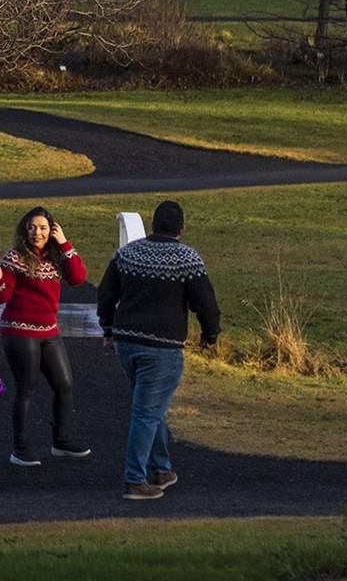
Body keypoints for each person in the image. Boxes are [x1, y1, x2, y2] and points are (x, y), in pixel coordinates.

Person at [96, 200, 221, 500]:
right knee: (146, 413)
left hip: (126, 342)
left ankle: (162, 469)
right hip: (162, 347)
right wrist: (210, 335)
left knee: (152, 408)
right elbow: (205, 303)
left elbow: (106, 292)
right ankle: (135, 479)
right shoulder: (187, 258)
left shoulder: (127, 253)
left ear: (153, 224)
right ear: (182, 228)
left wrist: (108, 327)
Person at [0, 206, 91, 466]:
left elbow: (78, 278)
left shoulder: (57, 256)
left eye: (44, 228)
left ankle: (62, 441)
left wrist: (64, 242)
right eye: (33, 227)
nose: (37, 232)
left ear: (52, 230)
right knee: (27, 388)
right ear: (25, 229)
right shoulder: (15, 257)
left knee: (65, 384)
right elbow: (2, 297)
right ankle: (20, 449)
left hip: (49, 330)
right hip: (19, 330)